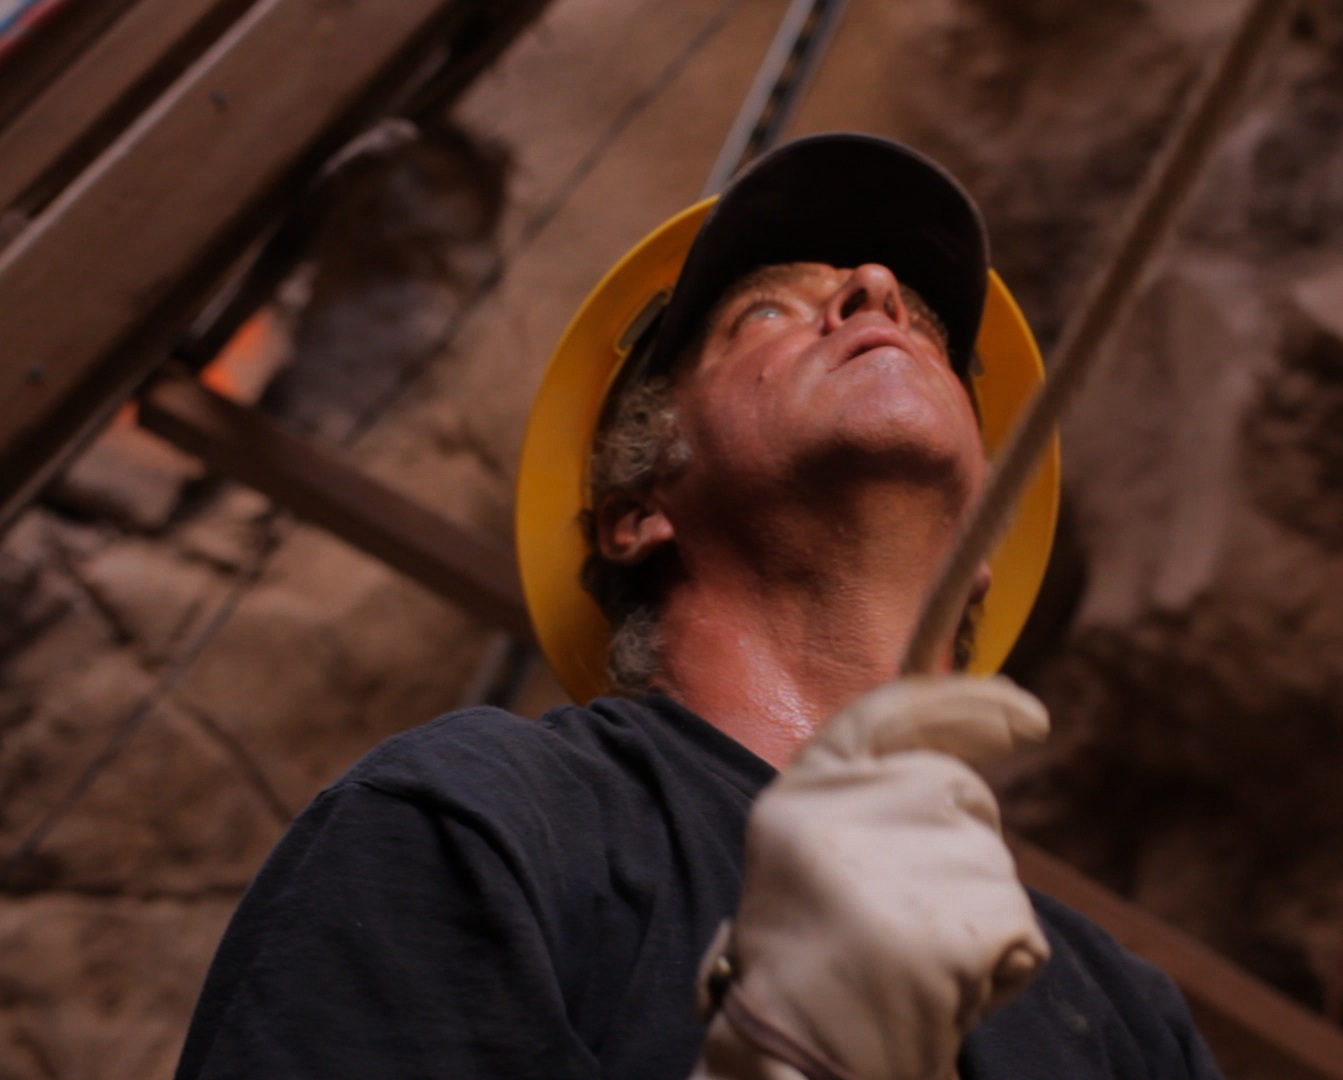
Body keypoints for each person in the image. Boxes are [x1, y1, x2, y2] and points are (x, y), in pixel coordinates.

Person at [175, 134, 1222, 1080]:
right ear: (635, 507)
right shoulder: (485, 820)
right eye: (767, 311)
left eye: (929, 332)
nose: (875, 290)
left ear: (983, 547)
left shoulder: (1127, 1023)